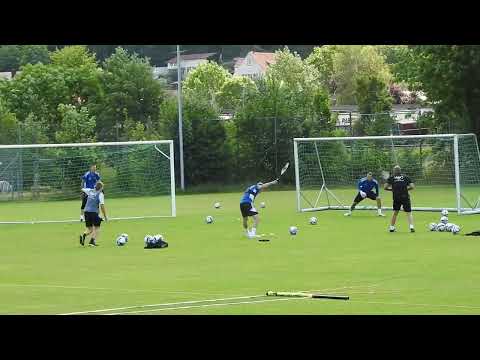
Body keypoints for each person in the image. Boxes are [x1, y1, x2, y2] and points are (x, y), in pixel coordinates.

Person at [384, 165, 415, 233]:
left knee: (395, 213)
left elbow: (385, 187)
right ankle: (411, 227)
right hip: (405, 197)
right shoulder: (406, 177)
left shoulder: (391, 178)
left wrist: (392, 190)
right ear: (400, 171)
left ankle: (392, 228)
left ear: (394, 171)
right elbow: (412, 186)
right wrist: (406, 190)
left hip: (396, 197)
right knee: (408, 213)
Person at [80, 181, 108, 247]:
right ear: (101, 188)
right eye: (102, 187)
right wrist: (105, 216)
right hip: (93, 212)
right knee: (97, 227)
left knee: (90, 229)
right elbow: (102, 206)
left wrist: (84, 193)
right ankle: (92, 242)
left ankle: (83, 235)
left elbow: (82, 189)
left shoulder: (90, 190)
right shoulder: (100, 194)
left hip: (86, 212)